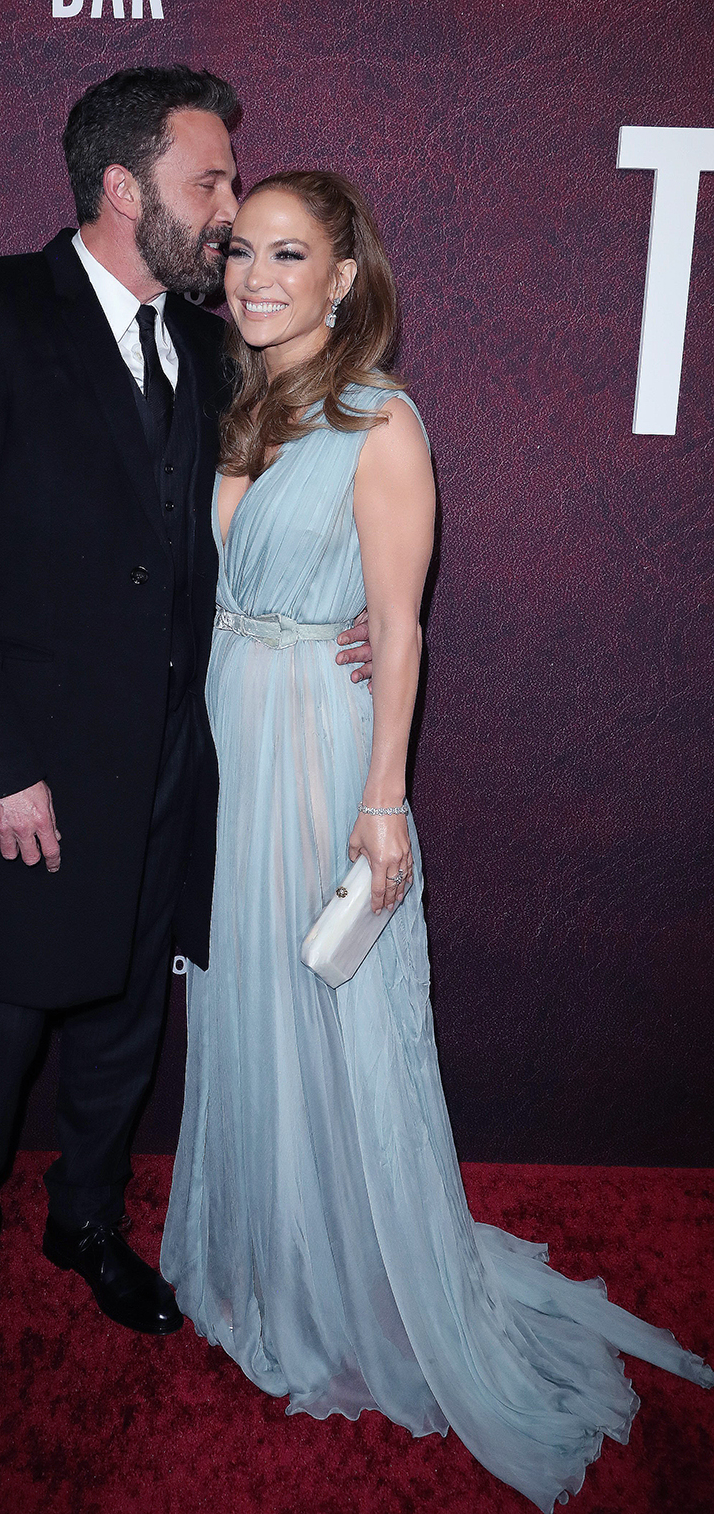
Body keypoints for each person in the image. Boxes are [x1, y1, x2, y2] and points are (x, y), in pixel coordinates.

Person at [160, 171, 712, 1512]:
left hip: (321, 754)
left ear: (348, 277)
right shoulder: (219, 403)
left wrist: (384, 800)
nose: (256, 274)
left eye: (291, 253)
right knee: (244, 1000)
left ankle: (367, 1273)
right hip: (224, 735)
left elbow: (400, 626)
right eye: (242, 250)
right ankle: (274, 1254)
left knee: (335, 1008)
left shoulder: (382, 422)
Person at [0, 67, 374, 1396]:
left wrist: (368, 612)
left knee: (119, 1026)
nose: (229, 210)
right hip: (26, 775)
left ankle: (87, 1220)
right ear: (123, 188)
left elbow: (298, 506)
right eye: (210, 182)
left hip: (173, 761)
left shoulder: (217, 348)